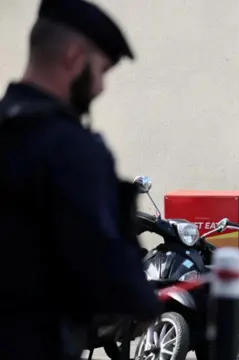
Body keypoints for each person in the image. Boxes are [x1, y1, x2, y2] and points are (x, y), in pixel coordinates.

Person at [0, 1, 162, 359]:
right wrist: (142, 300)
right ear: (74, 57)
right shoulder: (70, 150)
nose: (101, 86)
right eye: (101, 69)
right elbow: (106, 273)